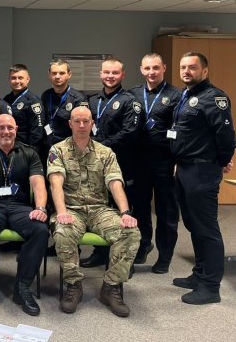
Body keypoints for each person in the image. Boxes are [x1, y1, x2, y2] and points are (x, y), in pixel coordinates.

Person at [48, 106, 140, 317]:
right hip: (71, 210)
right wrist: (61, 212)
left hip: (100, 210)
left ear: (92, 123)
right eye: (77, 121)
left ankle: (111, 286)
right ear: (70, 124)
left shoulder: (105, 152)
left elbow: (115, 183)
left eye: (86, 121)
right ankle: (73, 285)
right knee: (62, 232)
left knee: (130, 232)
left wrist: (125, 212)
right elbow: (55, 183)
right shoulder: (57, 150)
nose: (81, 125)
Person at [170, 52, 236, 305]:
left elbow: (226, 136)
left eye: (192, 67)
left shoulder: (214, 97)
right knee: (193, 225)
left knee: (206, 228)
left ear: (205, 71)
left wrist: (220, 162)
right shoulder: (186, 96)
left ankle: (210, 286)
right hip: (185, 169)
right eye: (183, 67)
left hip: (202, 170)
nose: (186, 71)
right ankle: (199, 274)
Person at [0, 114, 48, 316]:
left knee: (40, 230)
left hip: (20, 206)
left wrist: (40, 208)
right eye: (1, 127)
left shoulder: (29, 152)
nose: (6, 131)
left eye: (10, 127)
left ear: (16, 129)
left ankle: (23, 286)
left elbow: (38, 183)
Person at [82, 58, 141, 269]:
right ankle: (100, 253)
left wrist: (101, 146)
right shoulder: (92, 101)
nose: (110, 76)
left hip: (121, 163)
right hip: (96, 165)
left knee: (123, 210)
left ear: (122, 75)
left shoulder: (130, 101)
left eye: (115, 73)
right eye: (106, 72)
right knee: (101, 208)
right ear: (100, 74)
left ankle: (125, 262)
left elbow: (129, 133)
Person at [129, 54, 181, 273]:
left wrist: (178, 160)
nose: (152, 72)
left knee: (166, 211)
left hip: (164, 160)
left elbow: (181, 128)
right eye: (148, 68)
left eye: (156, 68)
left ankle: (164, 256)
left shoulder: (176, 95)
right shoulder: (132, 94)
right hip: (139, 160)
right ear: (141, 69)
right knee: (139, 207)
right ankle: (143, 246)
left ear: (164, 68)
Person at [40, 59, 88, 156]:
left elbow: (81, 128)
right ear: (49, 75)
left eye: (62, 73)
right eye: (54, 73)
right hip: (47, 148)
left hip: (68, 150)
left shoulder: (78, 98)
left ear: (69, 74)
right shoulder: (46, 95)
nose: (57, 76)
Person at [3, 64, 44, 152]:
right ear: (9, 79)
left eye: (20, 78)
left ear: (28, 79)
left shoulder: (34, 102)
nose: (17, 81)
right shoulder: (7, 99)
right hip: (7, 147)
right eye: (13, 78)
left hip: (24, 150)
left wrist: (30, 153)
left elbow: (37, 133)